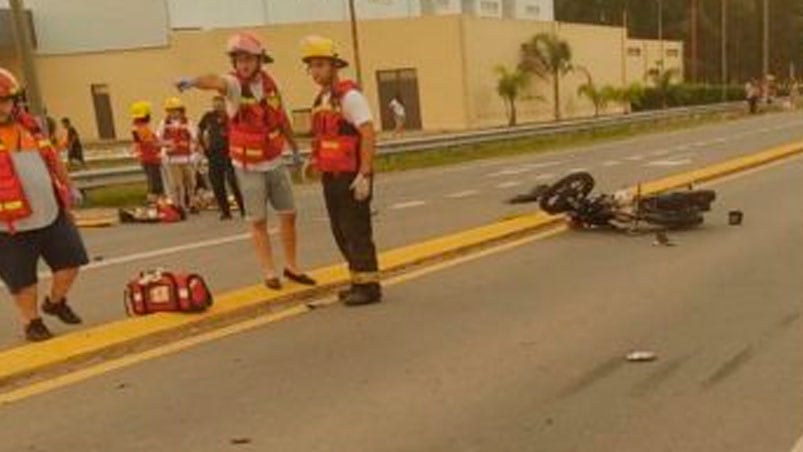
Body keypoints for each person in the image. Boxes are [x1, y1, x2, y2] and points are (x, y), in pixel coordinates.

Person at [176, 32, 315, 289]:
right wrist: (194, 81)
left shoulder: (271, 84)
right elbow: (215, 81)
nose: (243, 64)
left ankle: (292, 267)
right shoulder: (234, 85)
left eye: (248, 58)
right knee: (258, 220)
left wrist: (295, 148)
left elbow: (281, 117)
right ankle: (269, 272)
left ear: (260, 60)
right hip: (249, 166)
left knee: (289, 214)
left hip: (274, 160)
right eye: (239, 59)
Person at [0, 67, 87, 342]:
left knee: (71, 262)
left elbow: (53, 160)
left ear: (15, 100)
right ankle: (32, 321)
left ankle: (55, 302)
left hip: (51, 212)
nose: (2, 107)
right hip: (10, 224)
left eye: (5, 100)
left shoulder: (31, 127)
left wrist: (69, 188)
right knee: (23, 279)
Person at [300, 35, 381, 306]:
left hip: (352, 175)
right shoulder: (321, 99)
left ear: (335, 66)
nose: (315, 71)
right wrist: (314, 160)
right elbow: (324, 137)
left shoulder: (350, 97)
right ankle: (357, 279)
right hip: (331, 175)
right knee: (340, 230)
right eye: (312, 66)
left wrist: (365, 173)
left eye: (321, 65)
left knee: (356, 229)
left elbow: (367, 133)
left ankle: (369, 286)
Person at [198, 95, 245, 220]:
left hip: (230, 154)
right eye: (215, 103)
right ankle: (225, 212)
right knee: (216, 183)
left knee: (233, 182)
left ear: (225, 104)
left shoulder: (231, 115)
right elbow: (200, 130)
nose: (217, 106)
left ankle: (243, 209)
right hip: (213, 155)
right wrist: (202, 146)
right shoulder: (208, 116)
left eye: (220, 103)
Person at [157, 97, 199, 213]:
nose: (172, 113)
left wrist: (194, 152)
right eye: (169, 111)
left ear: (181, 110)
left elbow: (195, 138)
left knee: (191, 183)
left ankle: (192, 203)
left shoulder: (188, 122)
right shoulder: (163, 124)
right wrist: (166, 145)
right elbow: (158, 140)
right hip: (172, 159)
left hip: (187, 158)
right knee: (176, 184)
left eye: (175, 110)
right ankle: (179, 205)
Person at [130, 101, 166, 202]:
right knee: (155, 184)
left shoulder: (136, 128)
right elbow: (151, 143)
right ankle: (156, 202)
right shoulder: (144, 129)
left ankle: (154, 201)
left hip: (144, 158)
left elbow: (137, 144)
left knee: (152, 182)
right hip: (151, 158)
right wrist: (166, 144)